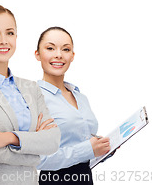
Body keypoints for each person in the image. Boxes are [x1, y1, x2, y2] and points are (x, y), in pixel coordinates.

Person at [0, 4, 61, 185]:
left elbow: (53, 140)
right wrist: (37, 153)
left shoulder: (31, 88)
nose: (4, 40)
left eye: (10, 33)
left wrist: (8, 138)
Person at [35, 27, 111, 185]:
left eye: (66, 49)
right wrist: (88, 150)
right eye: (50, 48)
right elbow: (38, 159)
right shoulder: (33, 97)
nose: (58, 54)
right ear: (37, 54)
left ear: (72, 56)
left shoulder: (80, 97)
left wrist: (101, 149)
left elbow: (81, 144)